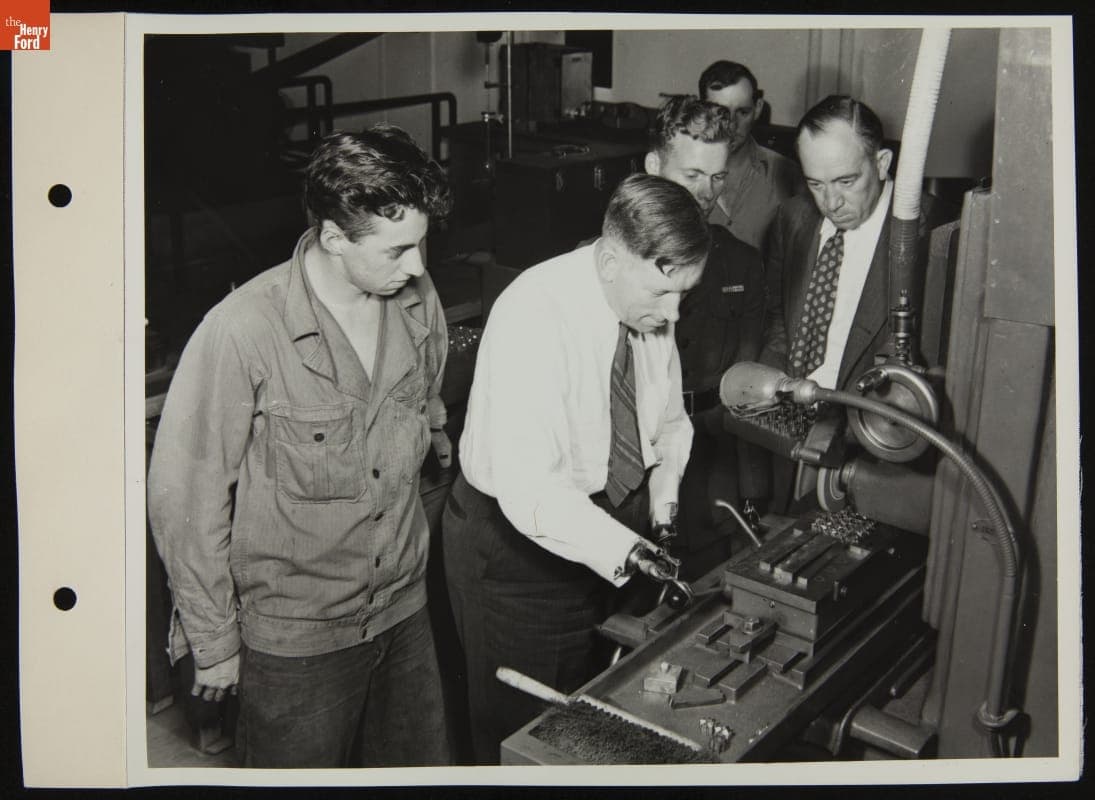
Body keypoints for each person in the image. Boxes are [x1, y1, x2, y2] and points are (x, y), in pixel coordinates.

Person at [147, 126, 455, 768]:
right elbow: (186, 499)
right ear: (334, 238)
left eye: (421, 243)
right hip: (296, 639)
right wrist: (214, 642)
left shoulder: (417, 302)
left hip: (403, 610)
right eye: (398, 250)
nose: (418, 267)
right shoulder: (243, 331)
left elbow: (426, 404)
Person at [442, 174, 709, 764]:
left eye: (684, 294)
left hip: (610, 535)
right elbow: (532, 489)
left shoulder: (649, 304)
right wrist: (633, 553)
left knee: (600, 720)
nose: (673, 312)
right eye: (662, 293)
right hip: (519, 555)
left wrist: (662, 516)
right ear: (611, 261)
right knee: (530, 743)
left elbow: (669, 425)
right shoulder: (534, 315)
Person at [643, 95, 767, 575]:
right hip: (637, 463)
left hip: (710, 461)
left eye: (717, 177)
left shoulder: (742, 263)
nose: (706, 192)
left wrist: (751, 491)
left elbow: (747, 388)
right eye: (692, 174)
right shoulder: (612, 265)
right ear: (654, 168)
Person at [699, 59, 803, 252]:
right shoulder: (679, 172)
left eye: (742, 112)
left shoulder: (789, 175)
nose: (731, 124)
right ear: (702, 111)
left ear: (758, 108)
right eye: (721, 113)